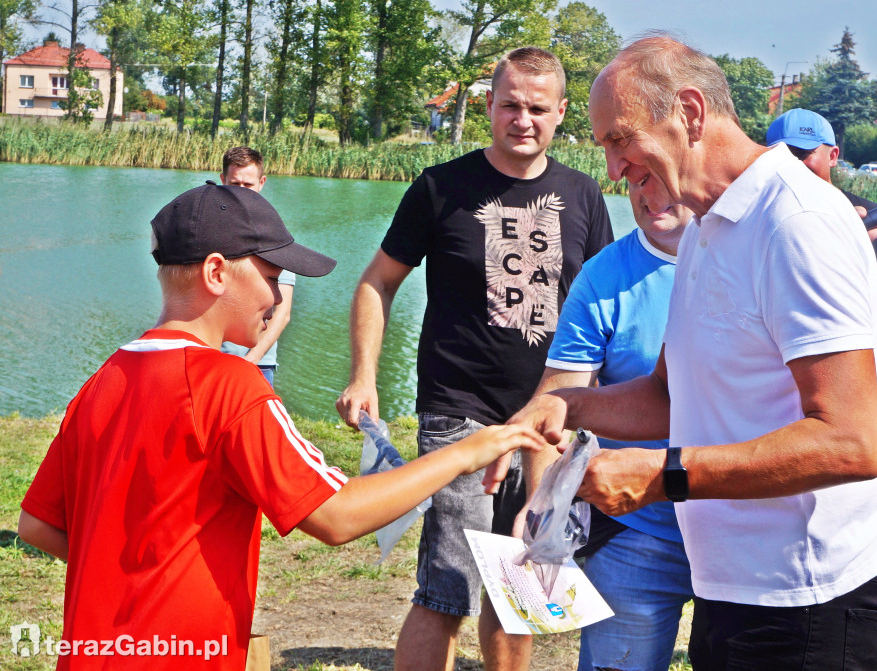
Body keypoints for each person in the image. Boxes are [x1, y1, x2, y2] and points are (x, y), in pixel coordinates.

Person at [488, 35, 877, 670]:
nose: (614, 169)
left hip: (813, 595)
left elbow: (851, 443)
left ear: (689, 112)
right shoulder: (708, 227)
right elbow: (669, 396)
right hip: (734, 587)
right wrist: (565, 407)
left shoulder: (797, 222)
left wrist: (664, 476)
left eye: (620, 139)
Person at [18, 182, 543, 671]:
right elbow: (335, 516)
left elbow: (38, 525)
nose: (276, 299)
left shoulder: (102, 380)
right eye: (271, 279)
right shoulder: (230, 385)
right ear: (217, 273)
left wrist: (129, 574)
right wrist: (463, 454)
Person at [336, 46, 613, 671]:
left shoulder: (584, 194)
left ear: (561, 113)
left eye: (538, 108)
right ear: (489, 105)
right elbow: (376, 282)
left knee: (523, 585)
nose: (523, 119)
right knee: (447, 588)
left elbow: (601, 309)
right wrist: (363, 374)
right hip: (458, 414)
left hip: (550, 419)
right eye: (510, 104)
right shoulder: (441, 188)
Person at [525, 181, 695, 671]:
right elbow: (557, 403)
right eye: (638, 180)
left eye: (664, 177)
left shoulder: (748, 258)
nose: (651, 192)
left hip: (742, 523)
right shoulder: (603, 275)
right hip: (638, 526)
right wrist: (541, 521)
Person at [765, 108, 877, 275]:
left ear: (832, 157)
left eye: (802, 153)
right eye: (780, 154)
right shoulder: (760, 221)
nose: (790, 163)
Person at [219, 146, 294, 386]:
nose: (241, 192)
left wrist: (250, 361)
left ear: (261, 183)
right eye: (234, 183)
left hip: (258, 365)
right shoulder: (207, 231)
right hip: (210, 359)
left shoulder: (277, 237)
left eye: (248, 186)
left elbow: (281, 314)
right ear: (222, 180)